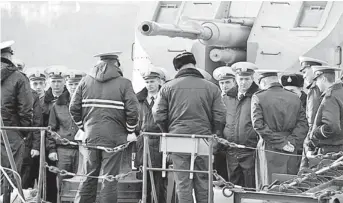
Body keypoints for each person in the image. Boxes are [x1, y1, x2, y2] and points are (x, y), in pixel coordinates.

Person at [152, 52, 226, 203]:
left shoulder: (167, 87)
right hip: (204, 139)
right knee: (204, 182)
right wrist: (214, 134)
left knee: (183, 183)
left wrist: (167, 132)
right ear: (194, 64)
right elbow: (220, 116)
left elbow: (158, 114)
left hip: (177, 139)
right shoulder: (212, 87)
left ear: (177, 68)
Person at [70, 52, 139, 203]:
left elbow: (73, 108)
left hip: (91, 136)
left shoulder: (85, 81)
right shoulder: (124, 83)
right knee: (109, 179)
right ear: (116, 64)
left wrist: (83, 127)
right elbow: (133, 110)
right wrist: (130, 130)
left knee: (88, 177)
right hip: (115, 139)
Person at [252, 70, 308, 189]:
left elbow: (258, 125)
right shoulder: (294, 97)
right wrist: (291, 142)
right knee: (290, 185)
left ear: (263, 82)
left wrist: (281, 143)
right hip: (291, 147)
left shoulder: (259, 97)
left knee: (268, 185)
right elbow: (303, 123)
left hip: (269, 147)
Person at [1, 40, 33, 201]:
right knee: (11, 173)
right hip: (11, 132)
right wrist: (24, 132)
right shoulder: (18, 77)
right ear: (9, 56)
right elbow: (26, 109)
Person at [48, 69, 85, 201]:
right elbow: (51, 129)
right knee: (62, 184)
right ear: (66, 85)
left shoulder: (86, 104)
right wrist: (52, 149)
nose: (73, 87)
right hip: (63, 150)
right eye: (71, 84)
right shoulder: (57, 106)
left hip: (82, 150)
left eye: (76, 84)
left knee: (82, 184)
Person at [222, 62, 259, 188]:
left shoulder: (257, 96)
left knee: (250, 187)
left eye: (247, 79)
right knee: (233, 187)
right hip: (231, 150)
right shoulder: (227, 98)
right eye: (241, 79)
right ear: (236, 79)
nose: (243, 82)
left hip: (249, 150)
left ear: (252, 79)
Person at [135, 67, 166, 203]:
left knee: (159, 180)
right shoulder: (139, 100)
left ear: (159, 82)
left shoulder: (164, 98)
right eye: (147, 82)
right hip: (143, 142)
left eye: (152, 81)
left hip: (159, 141)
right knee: (144, 179)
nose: (150, 85)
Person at [43, 65, 69, 203]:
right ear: (49, 82)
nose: (56, 84)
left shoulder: (71, 99)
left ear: (64, 82)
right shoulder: (43, 100)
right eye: (53, 81)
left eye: (59, 81)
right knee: (48, 179)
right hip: (45, 144)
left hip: (62, 145)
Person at [297, 57, 328, 173]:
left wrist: (310, 144)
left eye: (305, 72)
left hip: (314, 138)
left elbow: (314, 119)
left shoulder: (315, 90)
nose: (304, 76)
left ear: (313, 70)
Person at [306, 66, 343, 158]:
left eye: (317, 80)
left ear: (323, 78)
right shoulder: (340, 93)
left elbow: (331, 127)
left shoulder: (330, 97)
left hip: (332, 150)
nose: (317, 84)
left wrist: (315, 133)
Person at [280, 73, 308, 175]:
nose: (289, 94)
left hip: (300, 149)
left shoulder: (308, 103)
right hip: (286, 147)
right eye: (286, 91)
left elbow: (304, 126)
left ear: (301, 88)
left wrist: (290, 142)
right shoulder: (281, 103)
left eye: (292, 91)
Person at [212, 66, 237, 181]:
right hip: (218, 143)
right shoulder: (215, 98)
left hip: (231, 142)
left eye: (227, 82)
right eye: (222, 83)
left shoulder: (237, 99)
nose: (224, 85)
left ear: (234, 82)